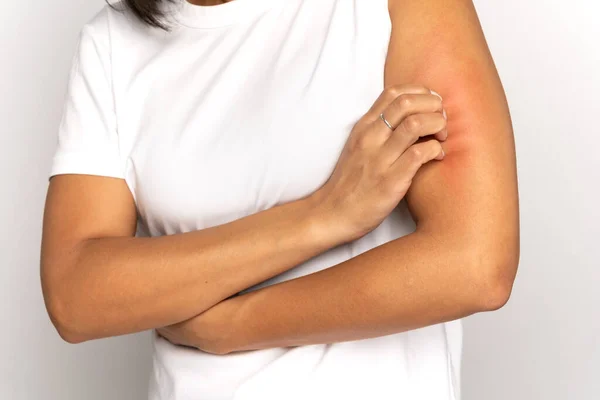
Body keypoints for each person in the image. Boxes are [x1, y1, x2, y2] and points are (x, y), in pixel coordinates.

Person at [40, 0, 520, 399]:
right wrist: (322, 216)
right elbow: (75, 293)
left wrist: (237, 324)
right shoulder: (111, 42)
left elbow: (475, 264)